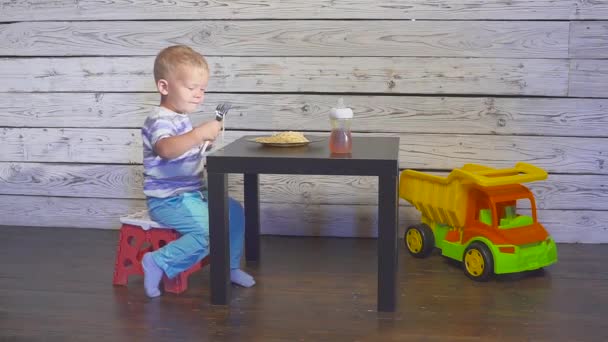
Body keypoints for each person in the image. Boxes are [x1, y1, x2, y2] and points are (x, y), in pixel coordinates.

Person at [140, 45, 255, 298]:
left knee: (234, 212)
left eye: (202, 89)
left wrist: (203, 143)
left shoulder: (181, 117)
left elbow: (183, 152)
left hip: (193, 194)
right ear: (164, 87)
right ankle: (158, 261)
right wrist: (197, 134)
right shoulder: (159, 119)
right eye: (191, 88)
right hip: (168, 200)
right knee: (211, 228)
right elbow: (166, 149)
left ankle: (229, 266)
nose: (198, 95)